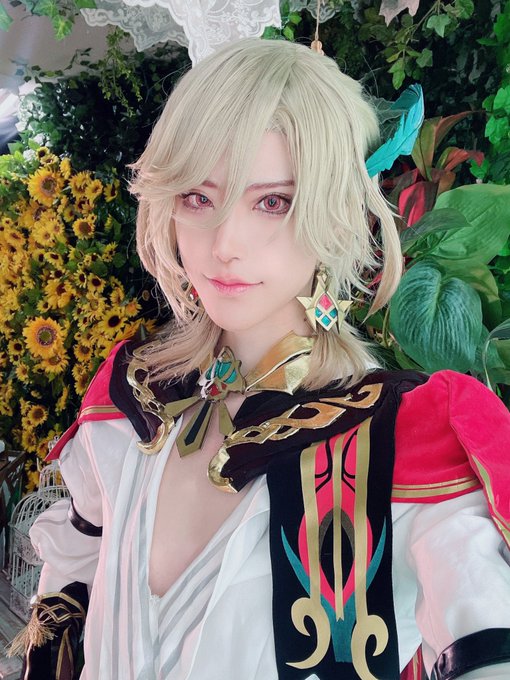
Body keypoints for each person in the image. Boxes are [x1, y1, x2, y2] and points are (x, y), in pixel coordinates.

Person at [14, 38, 510, 680]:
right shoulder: (130, 398)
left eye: (273, 201)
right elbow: (68, 590)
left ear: (338, 211)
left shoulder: (408, 440)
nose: (225, 243)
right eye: (198, 197)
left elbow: (483, 626)